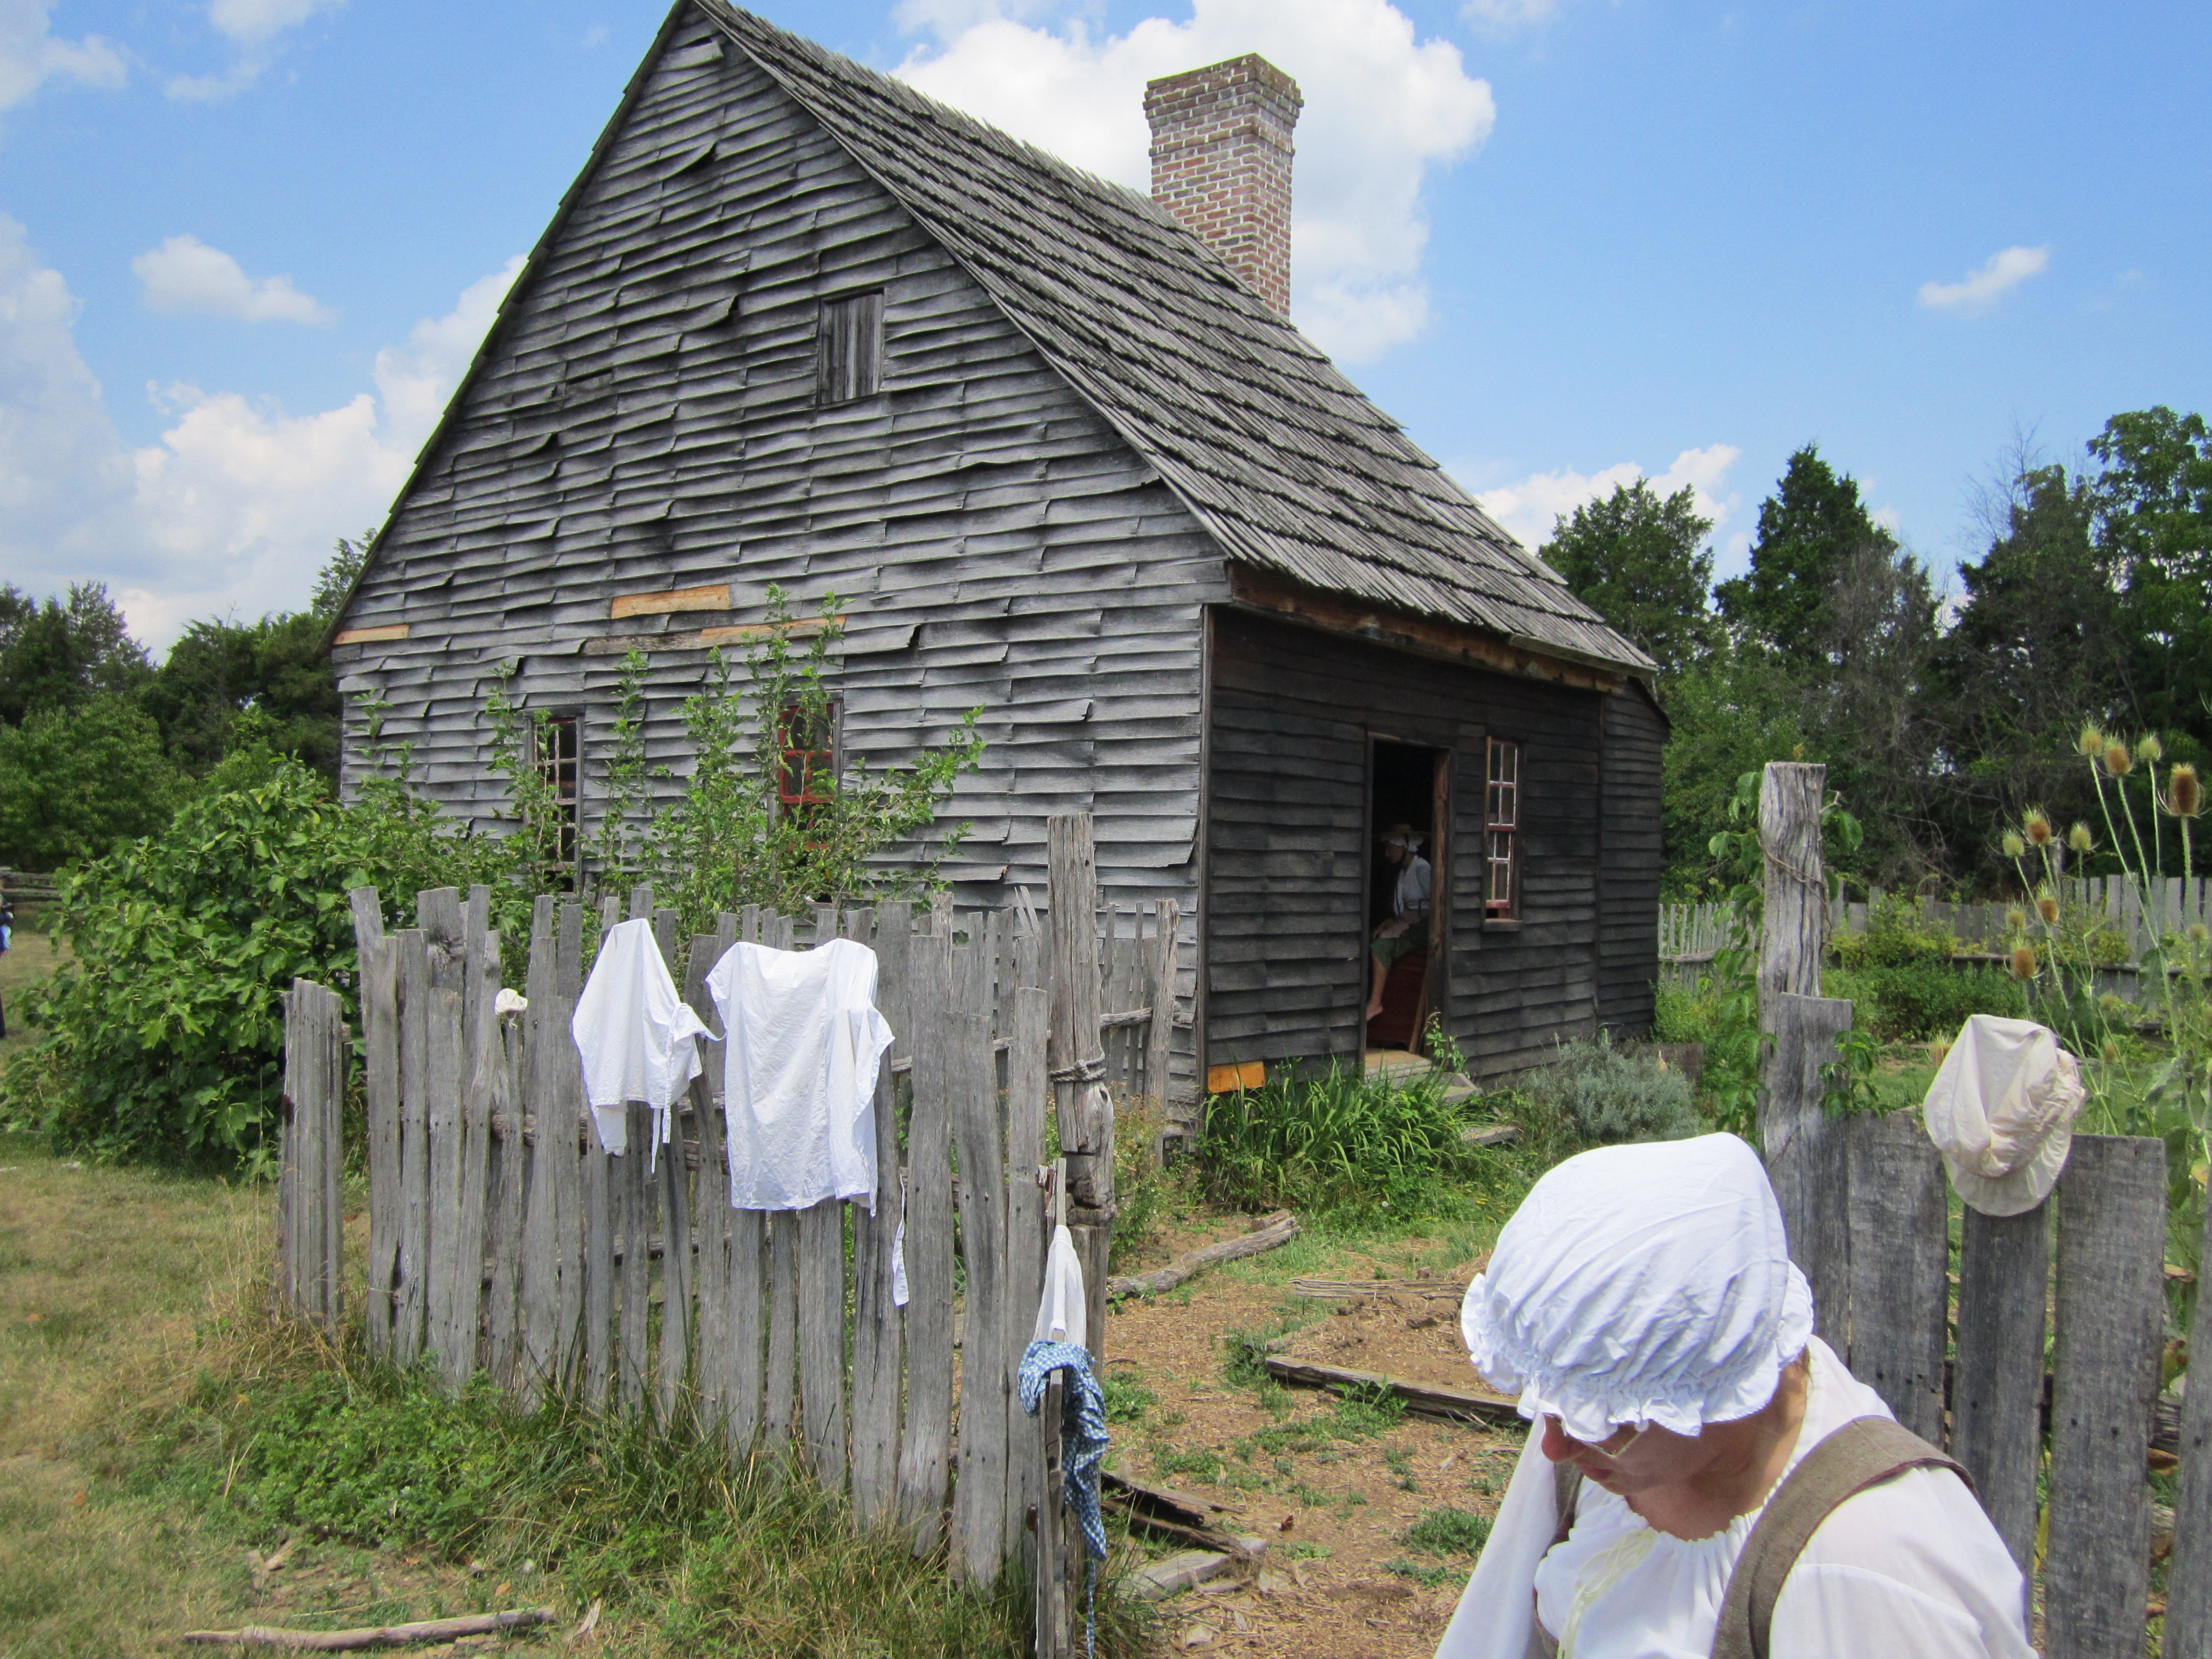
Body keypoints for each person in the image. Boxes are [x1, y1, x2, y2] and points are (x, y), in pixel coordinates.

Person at [1437, 1133, 2034, 1659]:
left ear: (1705, 1387)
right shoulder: (1608, 1433)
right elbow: (1493, 1633)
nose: (1553, 1446)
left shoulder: (1866, 1567)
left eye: (1598, 1417)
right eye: (1553, 1406)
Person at [1367, 823, 1432, 1022]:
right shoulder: (1404, 872)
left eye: (1390, 848)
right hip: (1408, 921)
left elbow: (1437, 904)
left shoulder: (1422, 869)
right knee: (1376, 934)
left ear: (1404, 846)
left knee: (1380, 947)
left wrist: (1412, 919)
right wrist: (1388, 922)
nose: (1387, 853)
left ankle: (1375, 1003)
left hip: (1423, 926)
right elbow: (1402, 909)